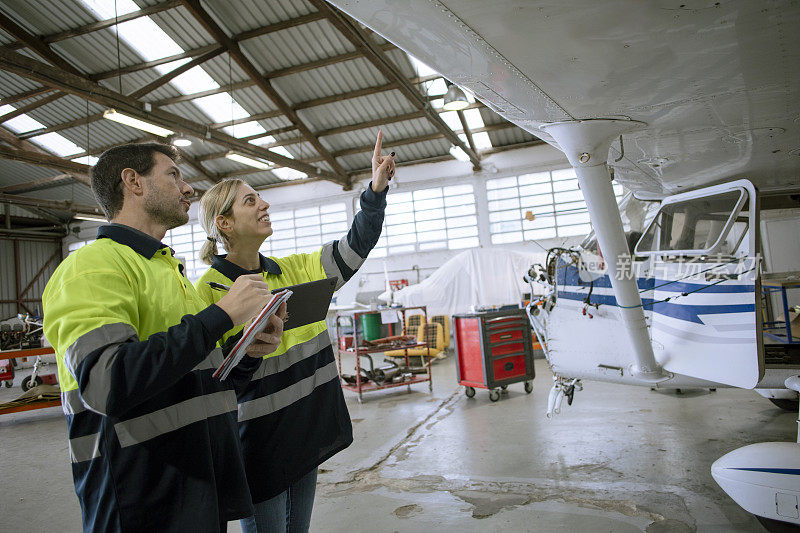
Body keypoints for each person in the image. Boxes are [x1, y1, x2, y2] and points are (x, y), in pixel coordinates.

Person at [42, 142, 286, 533]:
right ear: (133, 182)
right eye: (173, 174)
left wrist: (250, 352)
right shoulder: (89, 267)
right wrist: (221, 315)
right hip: (138, 495)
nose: (188, 188)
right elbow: (107, 383)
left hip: (197, 488)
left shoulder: (169, 272)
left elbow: (203, 386)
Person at [194, 130, 394, 532]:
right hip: (261, 443)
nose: (265, 204)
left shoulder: (290, 270)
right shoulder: (209, 291)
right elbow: (213, 379)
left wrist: (374, 191)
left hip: (305, 428)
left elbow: (356, 245)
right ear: (224, 223)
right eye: (251, 200)